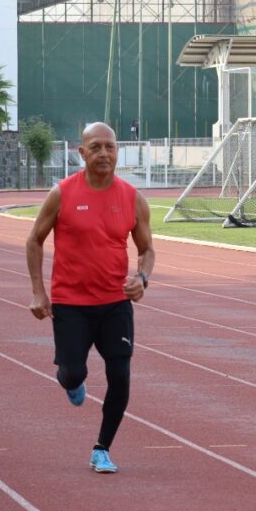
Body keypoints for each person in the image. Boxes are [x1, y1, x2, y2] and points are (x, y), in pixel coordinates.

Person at [26, 121, 155, 473]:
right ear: (81, 153)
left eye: (109, 147)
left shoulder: (132, 198)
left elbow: (147, 250)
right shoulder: (63, 194)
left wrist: (142, 277)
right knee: (71, 372)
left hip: (115, 302)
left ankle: (102, 448)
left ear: (117, 151)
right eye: (95, 147)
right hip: (70, 304)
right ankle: (72, 382)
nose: (103, 153)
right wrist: (39, 292)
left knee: (121, 374)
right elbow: (34, 240)